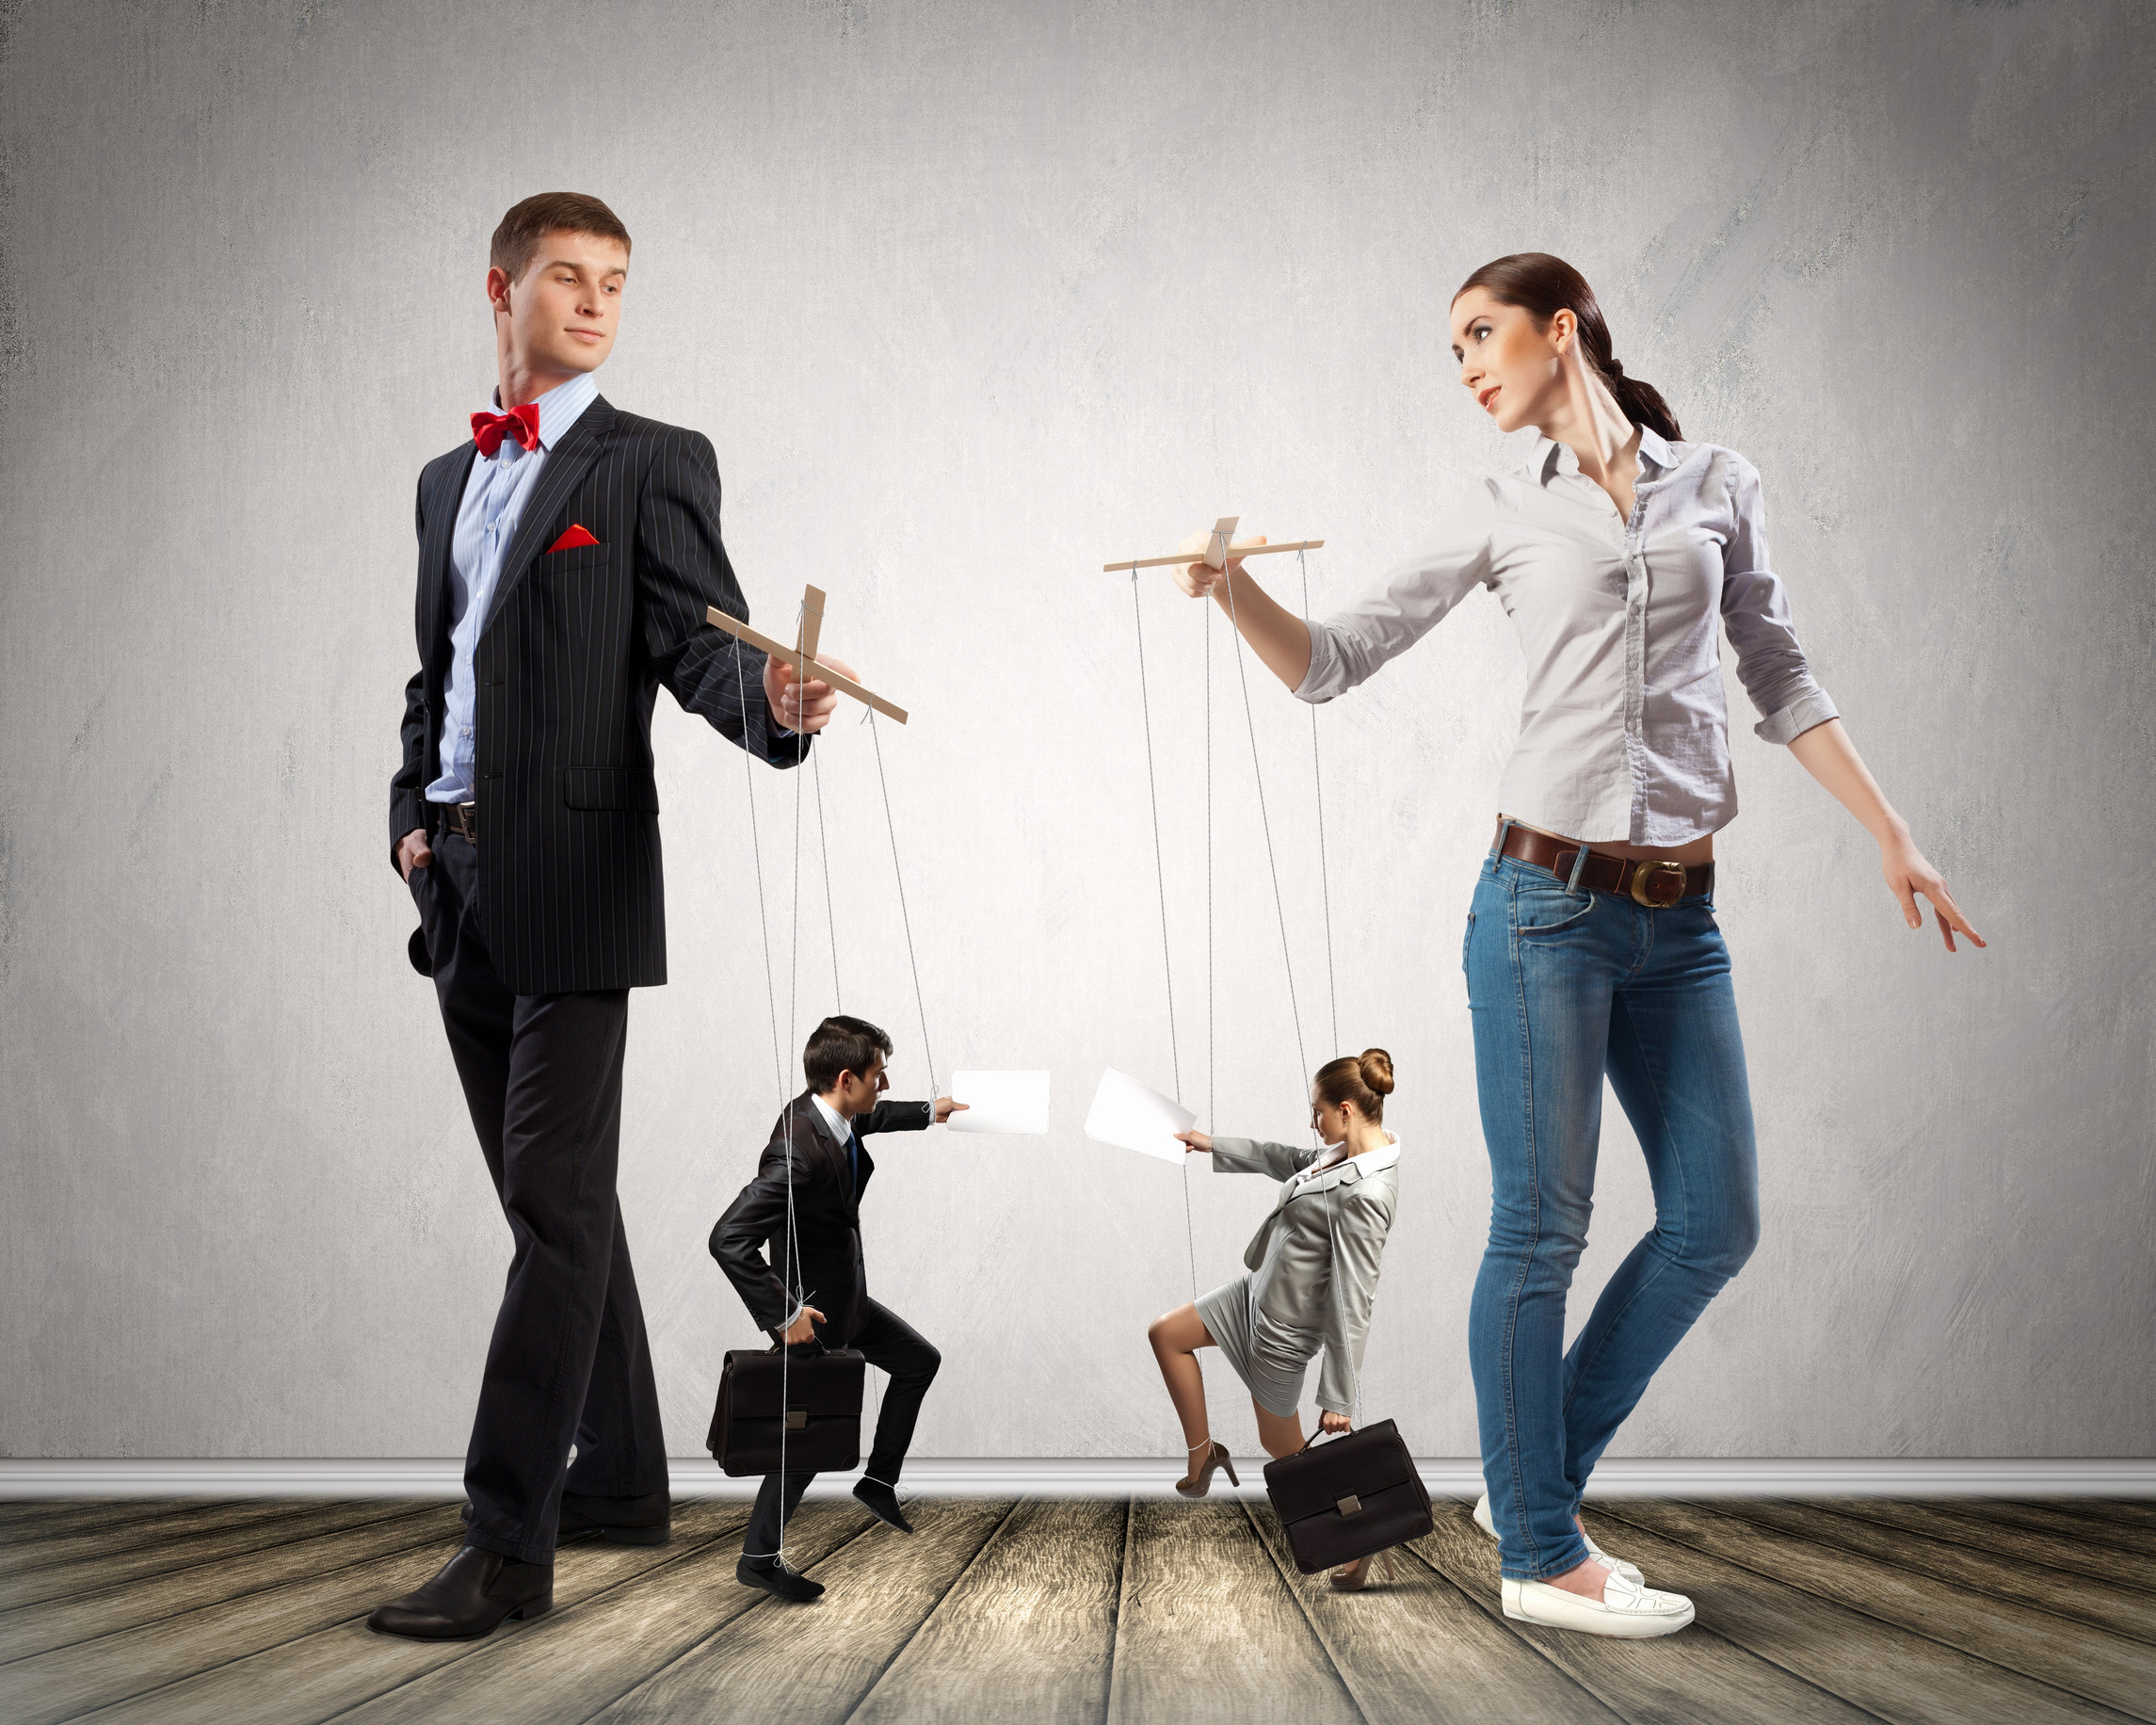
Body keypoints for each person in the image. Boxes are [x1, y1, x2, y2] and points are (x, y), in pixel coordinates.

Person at [1170, 253, 1983, 1637]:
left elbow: (1776, 673)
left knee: (1714, 1222)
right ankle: (1539, 1552)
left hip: (1683, 923)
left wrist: (1891, 834)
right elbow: (1332, 658)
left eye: (1481, 336)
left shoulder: (1716, 481)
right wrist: (1229, 589)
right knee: (1539, 1230)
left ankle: (1525, 1479)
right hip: (1539, 911)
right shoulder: (1498, 511)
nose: (1468, 366)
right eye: (1452, 350)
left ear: (1563, 333)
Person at [369, 193, 849, 1641]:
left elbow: (702, 653)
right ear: (501, 288)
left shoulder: (650, 462)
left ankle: (507, 1545)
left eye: (615, 285)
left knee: (556, 1209)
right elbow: (434, 674)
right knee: (553, 1205)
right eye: (567, 279)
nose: (592, 303)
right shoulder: (445, 481)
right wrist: (405, 815)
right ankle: (626, 1474)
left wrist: (770, 704)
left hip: (575, 886)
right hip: (451, 885)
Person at [711, 1016, 967, 1601]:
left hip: (846, 1300)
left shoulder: (834, 1112)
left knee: (917, 1361)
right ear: (846, 1079)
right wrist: (784, 1316)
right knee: (802, 1447)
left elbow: (871, 1117)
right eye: (879, 1075)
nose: (884, 1085)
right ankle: (758, 1558)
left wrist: (932, 1110)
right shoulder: (797, 1156)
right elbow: (728, 1239)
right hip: (813, 1318)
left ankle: (877, 1482)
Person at [1149, 1051, 1404, 1591]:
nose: (1313, 1122)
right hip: (1251, 1295)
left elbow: (1355, 1297)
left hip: (1281, 1334)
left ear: (1345, 1110)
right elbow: (1283, 1157)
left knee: (1285, 1451)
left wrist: (1339, 1395)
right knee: (1167, 1334)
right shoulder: (1338, 1153)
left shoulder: (1369, 1192)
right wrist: (1210, 1143)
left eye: (1317, 1112)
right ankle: (1205, 1453)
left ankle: (1364, 1535)